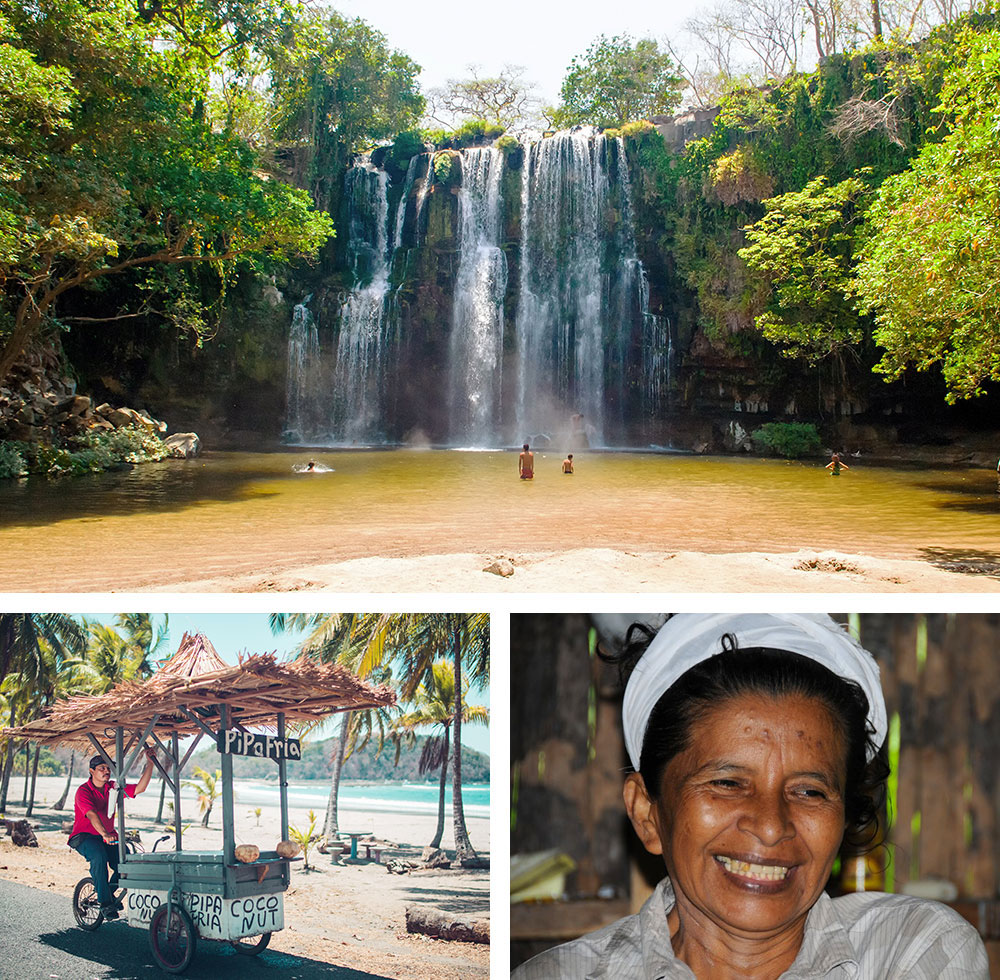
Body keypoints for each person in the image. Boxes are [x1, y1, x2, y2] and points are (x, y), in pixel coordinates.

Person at [513, 614, 988, 979]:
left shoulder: (911, 951)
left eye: (809, 790)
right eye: (727, 783)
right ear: (647, 813)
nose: (770, 824)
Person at [68, 748, 156, 919]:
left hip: (107, 836)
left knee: (126, 863)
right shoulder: (83, 791)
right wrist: (104, 833)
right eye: (102, 768)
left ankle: (107, 891)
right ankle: (106, 903)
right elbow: (92, 814)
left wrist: (150, 763)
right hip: (85, 837)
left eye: (108, 768)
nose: (107, 771)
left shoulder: (113, 788)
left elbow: (139, 788)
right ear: (91, 771)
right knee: (99, 857)